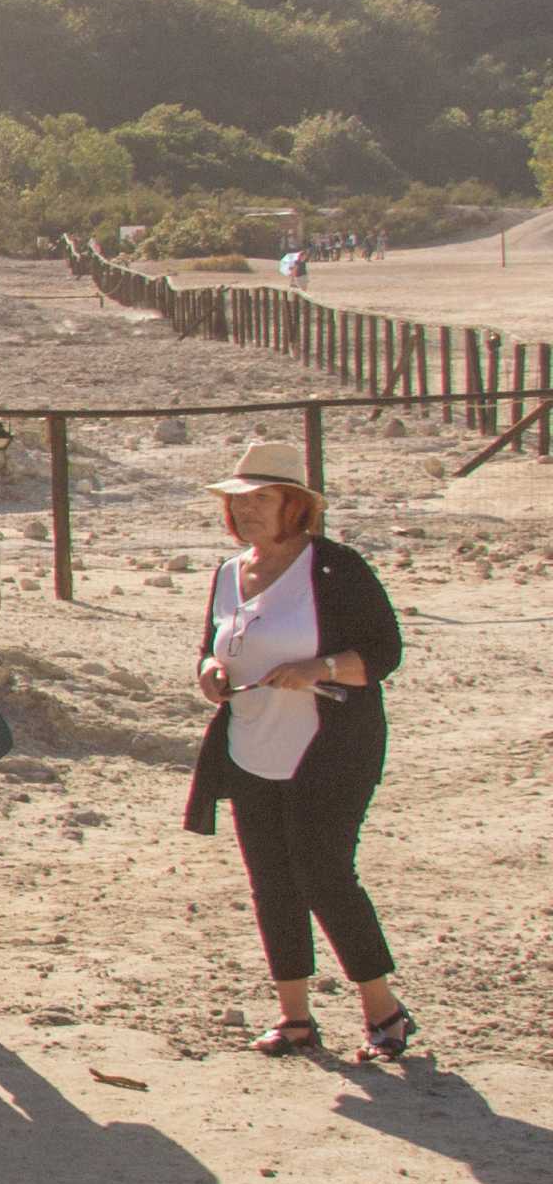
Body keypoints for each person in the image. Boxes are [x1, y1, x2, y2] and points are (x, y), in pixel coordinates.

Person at [182, 442, 415, 1062]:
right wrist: (209, 670)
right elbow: (213, 644)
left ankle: (382, 1010)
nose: (248, 510)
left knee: (324, 874)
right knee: (270, 881)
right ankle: (295, 1019)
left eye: (263, 498)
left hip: (332, 744)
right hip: (249, 743)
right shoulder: (229, 572)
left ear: (296, 506)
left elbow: (384, 654)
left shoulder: (337, 568)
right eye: (240, 500)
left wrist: (320, 667)